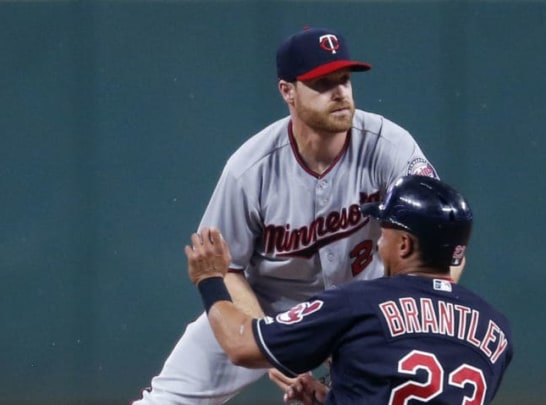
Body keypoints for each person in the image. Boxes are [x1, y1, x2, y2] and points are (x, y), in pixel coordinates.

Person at [133, 26, 455, 404]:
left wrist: (420, 309)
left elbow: (440, 239)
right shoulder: (249, 169)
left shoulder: (390, 146)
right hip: (272, 305)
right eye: (322, 84)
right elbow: (228, 268)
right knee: (168, 398)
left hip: (369, 306)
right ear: (287, 91)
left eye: (345, 80)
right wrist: (269, 339)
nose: (340, 93)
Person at [186, 175, 513, 405]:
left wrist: (211, 280)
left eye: (383, 230)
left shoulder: (359, 302)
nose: (378, 240)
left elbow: (241, 345)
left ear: (404, 245)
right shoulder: (497, 332)